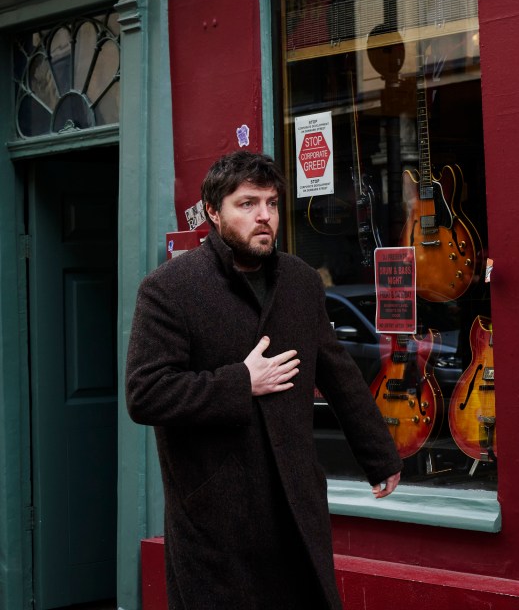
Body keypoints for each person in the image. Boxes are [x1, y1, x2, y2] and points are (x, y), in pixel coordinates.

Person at [126, 150, 402, 609]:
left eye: (271, 204)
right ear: (214, 212)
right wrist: (241, 381)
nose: (264, 216)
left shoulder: (299, 281)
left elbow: (337, 371)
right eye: (248, 204)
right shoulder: (169, 289)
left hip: (295, 504)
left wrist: (379, 454)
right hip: (216, 515)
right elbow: (146, 393)